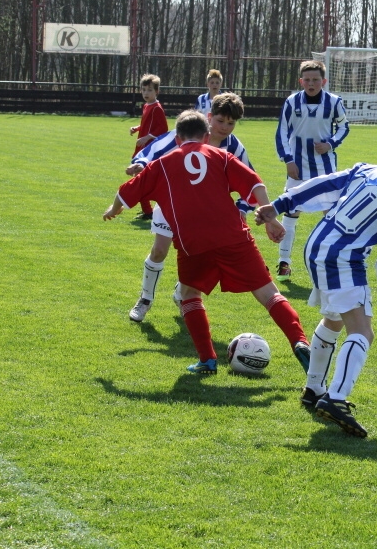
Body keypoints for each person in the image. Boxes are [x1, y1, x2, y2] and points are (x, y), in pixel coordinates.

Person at [255, 136, 377, 437]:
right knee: (362, 331)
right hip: (343, 259)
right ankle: (335, 400)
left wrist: (278, 204)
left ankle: (314, 389)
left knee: (333, 320)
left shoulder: (367, 168)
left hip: (317, 246)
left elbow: (324, 184)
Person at [104, 109, 310, 375]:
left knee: (189, 294)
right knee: (269, 294)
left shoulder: (163, 163)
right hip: (234, 237)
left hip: (193, 244)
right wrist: (269, 217)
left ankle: (207, 360)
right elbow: (254, 183)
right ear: (205, 135)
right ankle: (301, 343)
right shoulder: (222, 156)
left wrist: (114, 208)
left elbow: (128, 190)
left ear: (178, 138)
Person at [126, 93, 257, 324]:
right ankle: (145, 299)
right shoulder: (190, 134)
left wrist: (242, 208)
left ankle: (181, 294)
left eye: (231, 123)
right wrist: (141, 163)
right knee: (159, 250)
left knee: (201, 258)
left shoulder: (234, 146)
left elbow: (251, 180)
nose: (225, 127)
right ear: (209, 117)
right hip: (172, 205)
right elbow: (158, 147)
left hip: (208, 214)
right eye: (220, 121)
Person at [274, 60, 350, 283]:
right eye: (307, 79)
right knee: (291, 213)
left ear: (323, 81)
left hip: (325, 169)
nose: (311, 83)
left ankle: (332, 261)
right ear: (301, 81)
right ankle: (284, 262)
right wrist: (288, 160)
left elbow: (345, 127)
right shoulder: (292, 101)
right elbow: (281, 132)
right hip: (297, 168)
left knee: (331, 216)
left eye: (316, 79)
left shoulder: (334, 102)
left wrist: (331, 143)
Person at [129, 73, 168, 220]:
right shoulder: (146, 106)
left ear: (156, 91)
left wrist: (147, 137)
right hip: (142, 146)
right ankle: (148, 210)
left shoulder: (157, 108)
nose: (146, 93)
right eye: (144, 89)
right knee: (139, 176)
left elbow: (163, 129)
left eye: (150, 90)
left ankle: (149, 211)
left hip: (150, 149)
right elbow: (147, 123)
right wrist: (138, 128)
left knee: (140, 177)